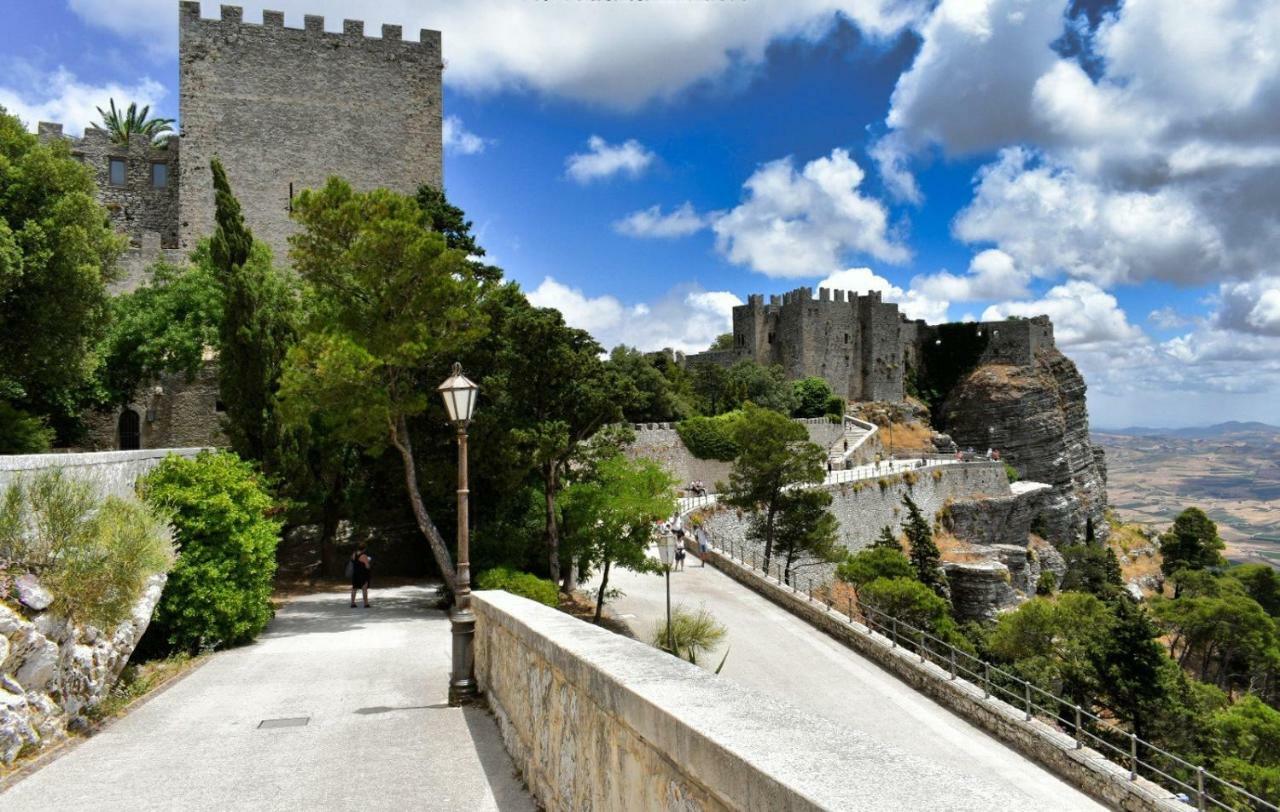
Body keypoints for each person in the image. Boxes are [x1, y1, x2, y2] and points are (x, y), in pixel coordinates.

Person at [349, 544, 372, 608]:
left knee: (354, 588)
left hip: (355, 573)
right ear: (364, 549)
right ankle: (366, 604)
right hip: (363, 574)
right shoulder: (364, 556)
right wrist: (368, 561)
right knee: (364, 589)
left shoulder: (353, 554)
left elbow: (354, 562)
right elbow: (367, 566)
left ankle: (352, 603)